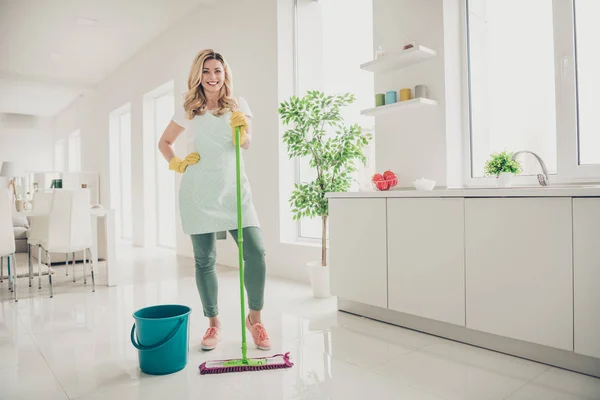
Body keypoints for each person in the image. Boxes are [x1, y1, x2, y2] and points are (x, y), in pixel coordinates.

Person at [158, 49, 270, 352]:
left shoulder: (238, 105)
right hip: (199, 191)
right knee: (205, 260)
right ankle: (214, 324)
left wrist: (240, 132)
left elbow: (247, 142)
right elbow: (164, 142)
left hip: (234, 191)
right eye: (206, 71)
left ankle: (255, 319)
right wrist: (177, 163)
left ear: (225, 73)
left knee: (256, 253)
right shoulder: (189, 109)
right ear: (198, 75)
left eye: (217, 71)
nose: (212, 77)